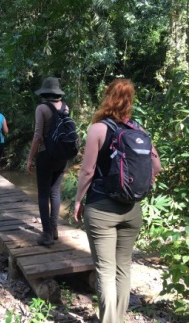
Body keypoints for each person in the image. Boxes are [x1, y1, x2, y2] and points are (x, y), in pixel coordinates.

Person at [73, 79, 162, 323]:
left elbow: (88, 171)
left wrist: (78, 201)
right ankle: (118, 319)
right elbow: (157, 166)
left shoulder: (98, 129)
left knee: (105, 270)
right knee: (123, 268)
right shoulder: (139, 131)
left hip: (102, 209)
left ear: (107, 97)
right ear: (130, 101)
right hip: (132, 210)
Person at [26, 77, 69, 246]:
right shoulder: (66, 107)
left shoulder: (41, 108)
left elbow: (37, 136)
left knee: (43, 194)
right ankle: (54, 229)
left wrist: (30, 158)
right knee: (55, 191)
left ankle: (47, 235)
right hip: (61, 156)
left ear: (45, 92)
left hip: (45, 155)